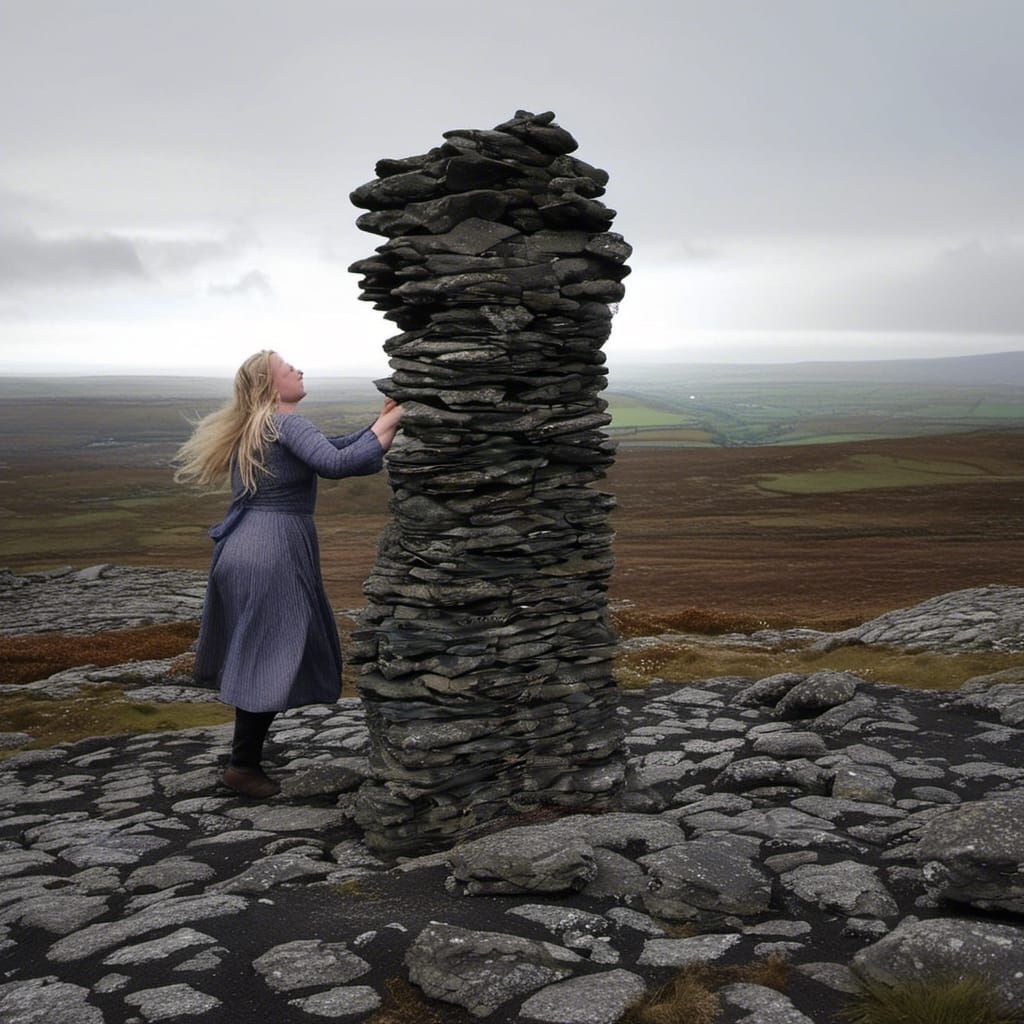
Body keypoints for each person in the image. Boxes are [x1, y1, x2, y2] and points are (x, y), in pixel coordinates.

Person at [174, 350, 402, 797]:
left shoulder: (259, 426)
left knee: (260, 644)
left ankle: (246, 755)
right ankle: (242, 766)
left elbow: (334, 447)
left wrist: (383, 422)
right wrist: (396, 421)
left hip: (242, 546)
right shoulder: (288, 423)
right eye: (287, 368)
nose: (298, 370)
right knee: (273, 646)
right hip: (273, 547)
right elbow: (336, 465)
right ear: (270, 385)